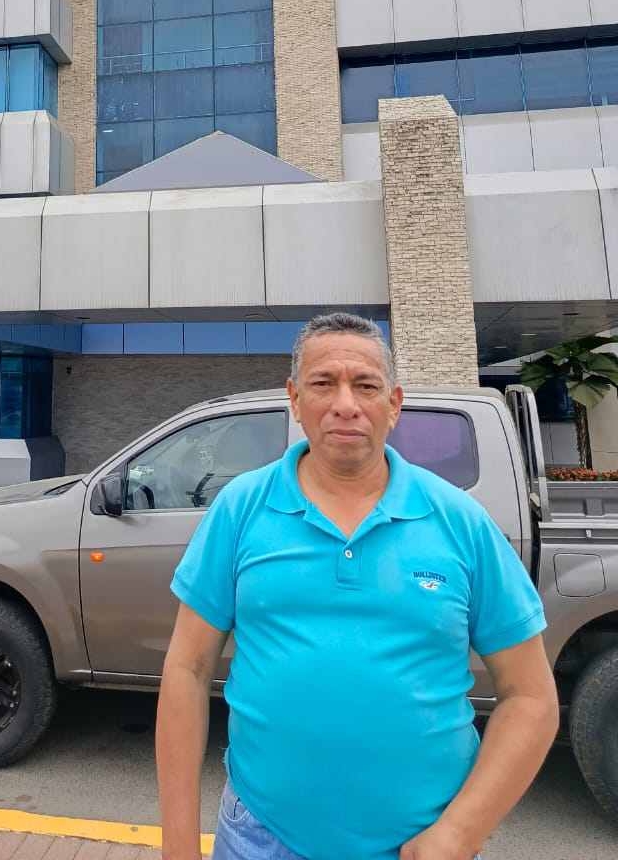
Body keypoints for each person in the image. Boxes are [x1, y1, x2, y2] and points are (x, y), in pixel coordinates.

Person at [156, 312, 559, 860]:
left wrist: (460, 834)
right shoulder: (241, 509)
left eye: (365, 385)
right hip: (261, 837)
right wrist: (178, 844)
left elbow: (531, 697)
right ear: (295, 399)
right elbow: (187, 668)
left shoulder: (460, 522)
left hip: (424, 843)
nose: (345, 403)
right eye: (324, 383)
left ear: (393, 404)